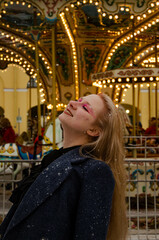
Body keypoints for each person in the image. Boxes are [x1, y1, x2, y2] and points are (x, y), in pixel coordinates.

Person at [0, 94, 127, 240]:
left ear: (93, 130)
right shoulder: (53, 159)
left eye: (85, 108)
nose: (72, 103)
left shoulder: (94, 170)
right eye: (79, 101)